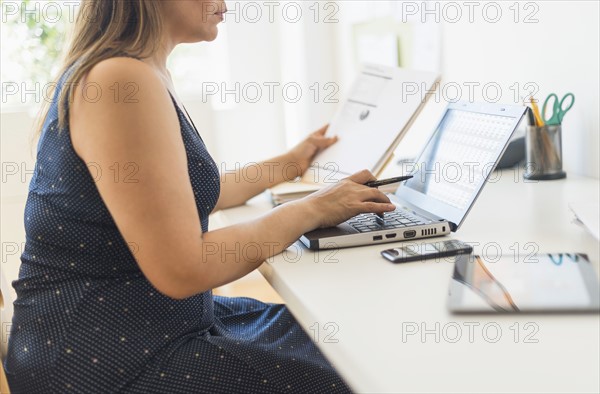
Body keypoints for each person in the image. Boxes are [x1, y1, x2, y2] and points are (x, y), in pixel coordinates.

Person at [4, 1, 395, 392]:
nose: (224, 4)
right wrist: (313, 209)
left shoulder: (138, 70)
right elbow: (185, 267)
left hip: (146, 324)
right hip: (103, 358)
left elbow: (180, 194)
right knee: (356, 371)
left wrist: (291, 163)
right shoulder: (120, 81)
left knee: (343, 340)